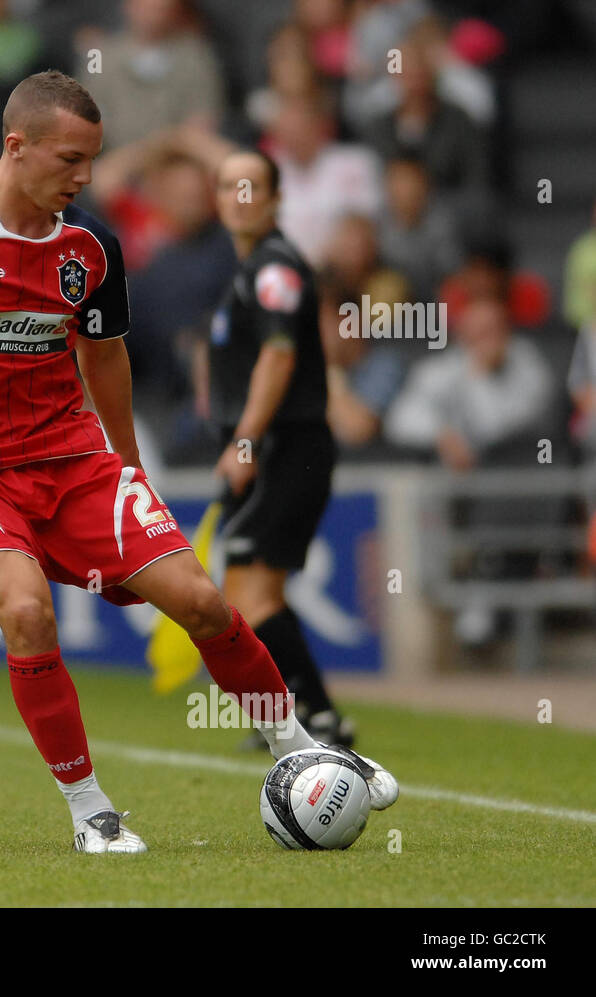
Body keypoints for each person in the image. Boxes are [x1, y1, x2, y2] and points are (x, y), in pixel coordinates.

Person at [0, 71, 397, 853]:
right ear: (17, 146)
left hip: (75, 458)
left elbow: (105, 358)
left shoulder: (90, 244)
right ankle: (91, 811)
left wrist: (130, 464)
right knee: (26, 611)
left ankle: (303, 748)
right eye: (69, 160)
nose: (83, 179)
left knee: (203, 600)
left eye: (92, 161)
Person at [208, 148, 354, 749]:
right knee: (255, 589)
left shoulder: (274, 268)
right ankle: (312, 716)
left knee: (249, 591)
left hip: (287, 447)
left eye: (251, 187)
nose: (239, 198)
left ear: (275, 199)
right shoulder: (255, 269)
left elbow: (279, 353)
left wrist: (244, 441)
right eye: (228, 186)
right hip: (279, 448)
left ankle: (312, 718)